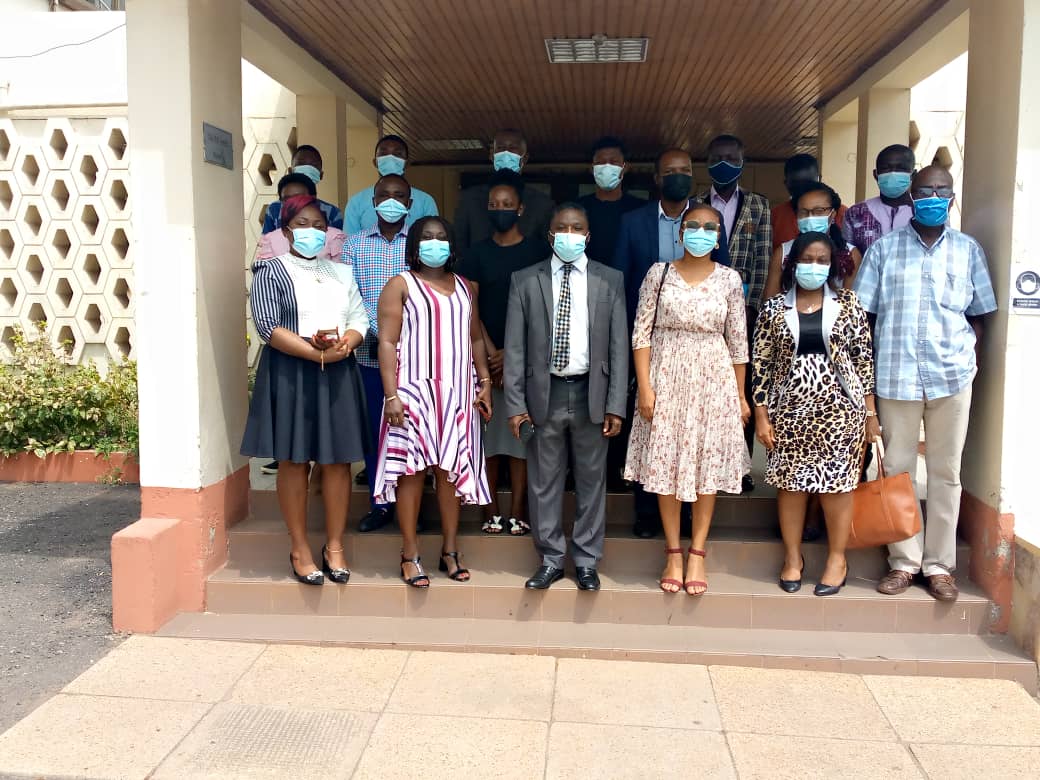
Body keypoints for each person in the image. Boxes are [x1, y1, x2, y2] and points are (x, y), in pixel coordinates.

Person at [854, 165, 997, 603]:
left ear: (952, 196)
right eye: (925, 190)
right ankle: (903, 562)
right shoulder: (884, 249)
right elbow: (865, 315)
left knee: (945, 473)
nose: (934, 195)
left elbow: (981, 313)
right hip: (895, 376)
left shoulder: (968, 250)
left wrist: (968, 359)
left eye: (942, 189)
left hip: (951, 377)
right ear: (912, 197)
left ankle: (939, 566)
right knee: (897, 470)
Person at [241, 194, 370, 586]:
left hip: (337, 372)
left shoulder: (342, 272)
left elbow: (358, 316)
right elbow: (268, 327)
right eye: (301, 225)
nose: (311, 232)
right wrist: (316, 354)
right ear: (284, 231)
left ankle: (334, 547)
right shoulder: (270, 270)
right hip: (292, 372)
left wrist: (347, 342)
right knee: (295, 460)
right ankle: (299, 547)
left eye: (318, 225)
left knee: (338, 461)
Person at [624, 202, 750, 596]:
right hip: (665, 378)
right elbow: (641, 333)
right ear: (680, 233)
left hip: (714, 382)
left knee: (706, 466)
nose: (700, 231)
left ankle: (698, 551)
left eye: (709, 226)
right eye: (692, 225)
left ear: (718, 235)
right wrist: (645, 387)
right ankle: (673, 551)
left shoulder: (730, 279)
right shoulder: (658, 274)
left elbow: (739, 344)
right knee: (665, 465)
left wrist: (741, 396)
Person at [504, 203, 628, 591]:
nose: (569, 234)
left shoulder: (610, 279)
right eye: (562, 228)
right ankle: (552, 558)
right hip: (546, 394)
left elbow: (619, 346)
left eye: (577, 228)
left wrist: (616, 404)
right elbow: (515, 348)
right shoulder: (525, 279)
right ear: (550, 234)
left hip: (592, 391)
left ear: (588, 235)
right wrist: (516, 405)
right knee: (544, 481)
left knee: (592, 480)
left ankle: (587, 560)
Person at [753, 231, 880, 597]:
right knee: (790, 486)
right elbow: (761, 364)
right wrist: (761, 414)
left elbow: (863, 360)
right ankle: (792, 558)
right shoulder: (774, 309)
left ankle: (837, 559)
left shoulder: (850, 304)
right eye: (807, 259)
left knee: (837, 486)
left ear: (833, 264)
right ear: (793, 265)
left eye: (822, 260)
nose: (814, 266)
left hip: (841, 410)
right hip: (789, 410)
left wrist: (870, 414)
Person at [612, 147, 730, 538]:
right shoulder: (633, 221)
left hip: (701, 353)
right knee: (653, 430)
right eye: (670, 171)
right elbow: (620, 281)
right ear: (657, 178)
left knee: (695, 438)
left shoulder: (706, 222)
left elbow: (722, 271)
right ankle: (648, 514)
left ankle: (690, 524)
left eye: (685, 170)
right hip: (650, 343)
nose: (677, 175)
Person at [374, 216, 493, 587]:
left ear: (451, 244)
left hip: (458, 394)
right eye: (427, 237)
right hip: (411, 393)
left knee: (450, 473)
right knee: (411, 474)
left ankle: (450, 551)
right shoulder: (400, 285)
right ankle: (410, 554)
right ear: (415, 245)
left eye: (442, 237)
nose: (435, 243)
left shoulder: (464, 287)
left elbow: (474, 339)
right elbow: (387, 342)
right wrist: (391, 394)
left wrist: (485, 381)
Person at [458, 170, 546, 536]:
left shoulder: (537, 251)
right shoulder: (476, 253)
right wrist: (492, 355)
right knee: (490, 440)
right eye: (494, 205)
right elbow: (470, 307)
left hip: (524, 360)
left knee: (521, 441)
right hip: (485, 359)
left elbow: (542, 308)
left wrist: (513, 353)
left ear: (521, 208)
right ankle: (491, 510)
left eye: (507, 204)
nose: (500, 209)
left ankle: (519, 511)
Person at [695, 134, 772, 494]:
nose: (724, 162)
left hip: (745, 312)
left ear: (742, 161)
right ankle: (706, 459)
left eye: (731, 156)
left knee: (741, 388)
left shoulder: (759, 205)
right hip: (703, 310)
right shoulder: (695, 204)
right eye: (717, 156)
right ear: (707, 161)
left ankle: (739, 466)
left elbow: (761, 259)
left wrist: (750, 308)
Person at [341, 173, 414, 533]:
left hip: (411, 359)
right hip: (368, 357)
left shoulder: (419, 244)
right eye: (384, 195)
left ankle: (410, 505)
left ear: (410, 204)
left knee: (411, 434)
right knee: (375, 433)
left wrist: (400, 335)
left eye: (399, 195)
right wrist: (377, 329)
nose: (391, 200)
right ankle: (379, 502)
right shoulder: (354, 245)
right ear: (373, 202)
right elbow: (348, 293)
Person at [453, 128, 555, 251]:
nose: (506, 153)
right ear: (492, 156)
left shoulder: (542, 204)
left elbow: (546, 250)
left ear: (525, 158)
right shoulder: (469, 199)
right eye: (500, 148)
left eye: (513, 148)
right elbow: (459, 246)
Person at [763, 182, 863, 300]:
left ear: (833, 215)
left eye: (819, 211)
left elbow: (850, 302)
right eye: (804, 212)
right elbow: (770, 301)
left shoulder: (850, 255)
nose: (810, 217)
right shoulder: (783, 252)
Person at [343, 134, 439, 234]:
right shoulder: (357, 202)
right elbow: (350, 241)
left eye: (398, 154)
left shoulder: (425, 201)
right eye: (384, 153)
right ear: (375, 162)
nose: (390, 158)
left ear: (407, 163)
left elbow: (432, 237)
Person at [577, 136, 646, 265]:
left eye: (613, 162)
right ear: (592, 169)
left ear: (625, 168)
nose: (607, 166)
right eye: (601, 162)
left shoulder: (640, 210)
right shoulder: (577, 209)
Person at [256, 173, 347, 264]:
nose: (293, 203)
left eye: (300, 198)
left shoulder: (335, 236)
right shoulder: (272, 239)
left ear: (314, 198)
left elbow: (340, 271)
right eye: (287, 200)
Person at [842, 144, 916, 255]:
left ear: (913, 175)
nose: (892, 174)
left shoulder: (924, 213)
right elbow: (847, 257)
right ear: (875, 175)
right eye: (886, 169)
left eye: (901, 168)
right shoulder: (856, 213)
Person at [770, 153, 845, 250]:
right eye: (796, 185)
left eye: (809, 183)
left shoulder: (843, 214)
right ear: (786, 184)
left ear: (819, 179)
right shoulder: (775, 216)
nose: (803, 189)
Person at [261, 145, 343, 233]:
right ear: (290, 171)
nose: (307, 168)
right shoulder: (274, 210)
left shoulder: (333, 213)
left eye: (313, 165)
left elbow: (337, 243)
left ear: (321, 175)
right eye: (301, 163)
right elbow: (266, 242)